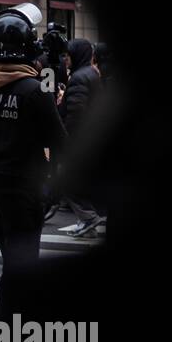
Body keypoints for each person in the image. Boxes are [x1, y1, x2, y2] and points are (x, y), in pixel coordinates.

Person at [0, 4, 67, 289]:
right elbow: (59, 142)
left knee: (9, 255)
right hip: (23, 186)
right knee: (24, 261)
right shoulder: (35, 91)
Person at [56, 38, 103, 238]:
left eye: (68, 55)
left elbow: (76, 114)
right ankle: (88, 220)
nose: (65, 59)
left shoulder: (79, 77)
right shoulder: (91, 73)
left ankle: (88, 217)